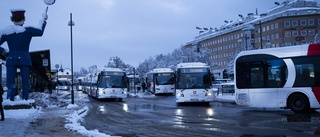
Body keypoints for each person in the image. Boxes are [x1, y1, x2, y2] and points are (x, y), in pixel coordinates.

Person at [0, 9, 48, 101]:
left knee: (10, 82)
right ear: (24, 18)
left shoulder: (7, 30)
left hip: (11, 58)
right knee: (25, 81)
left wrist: (4, 52)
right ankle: (25, 98)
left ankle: (10, 99)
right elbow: (40, 31)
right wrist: (43, 19)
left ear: (12, 19)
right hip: (24, 58)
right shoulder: (27, 30)